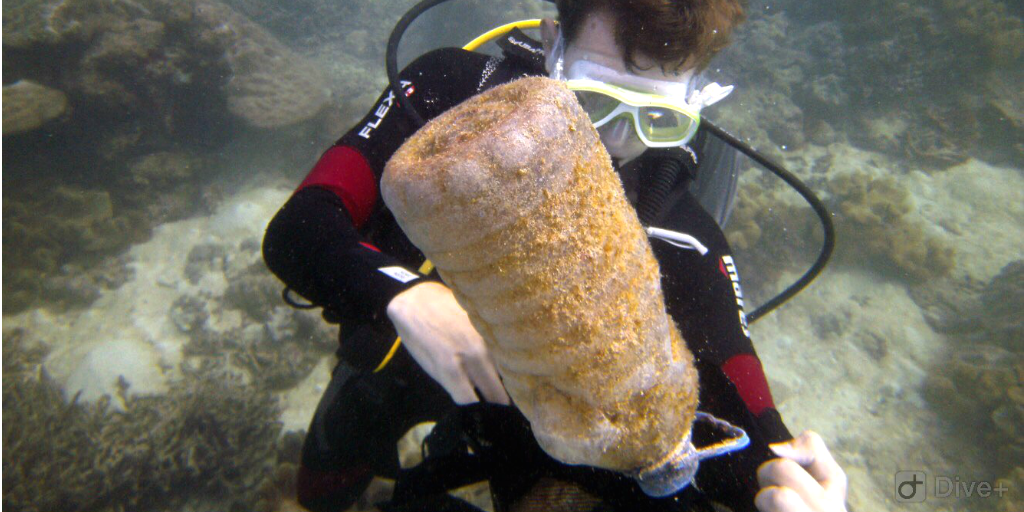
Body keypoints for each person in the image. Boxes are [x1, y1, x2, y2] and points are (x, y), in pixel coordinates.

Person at [262, 1, 849, 511]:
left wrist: (785, 475)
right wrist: (402, 296)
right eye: (591, 101)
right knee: (322, 487)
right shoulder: (446, 91)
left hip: (542, 425)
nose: (613, 144)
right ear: (552, 43)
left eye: (657, 118)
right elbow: (301, 226)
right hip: (400, 357)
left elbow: (735, 379)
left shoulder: (683, 227)